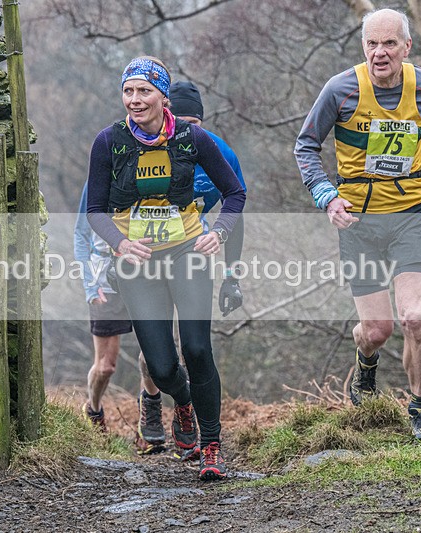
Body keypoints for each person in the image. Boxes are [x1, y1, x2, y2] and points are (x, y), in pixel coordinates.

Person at [294, 9, 421, 440]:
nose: (379, 53)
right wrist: (327, 197)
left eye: (389, 43)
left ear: (406, 47)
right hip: (358, 222)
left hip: (411, 214)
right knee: (377, 330)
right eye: (371, 44)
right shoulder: (340, 90)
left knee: (414, 316)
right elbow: (305, 146)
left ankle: (420, 406)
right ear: (363, 48)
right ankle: (366, 363)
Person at [87, 56, 245, 480]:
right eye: (128, 91)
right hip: (138, 262)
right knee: (159, 366)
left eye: (144, 91)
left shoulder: (193, 139)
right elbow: (95, 210)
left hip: (187, 252)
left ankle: (211, 446)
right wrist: (119, 243)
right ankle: (185, 402)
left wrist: (221, 234)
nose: (135, 100)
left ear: (162, 95)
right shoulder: (109, 141)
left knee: (196, 348)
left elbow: (235, 194)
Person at [73, 182, 167, 455]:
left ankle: (148, 425)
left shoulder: (150, 173)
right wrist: (90, 284)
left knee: (151, 357)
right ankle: (93, 411)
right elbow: (81, 234)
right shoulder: (96, 181)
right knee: (105, 367)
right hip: (105, 279)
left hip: (146, 274)